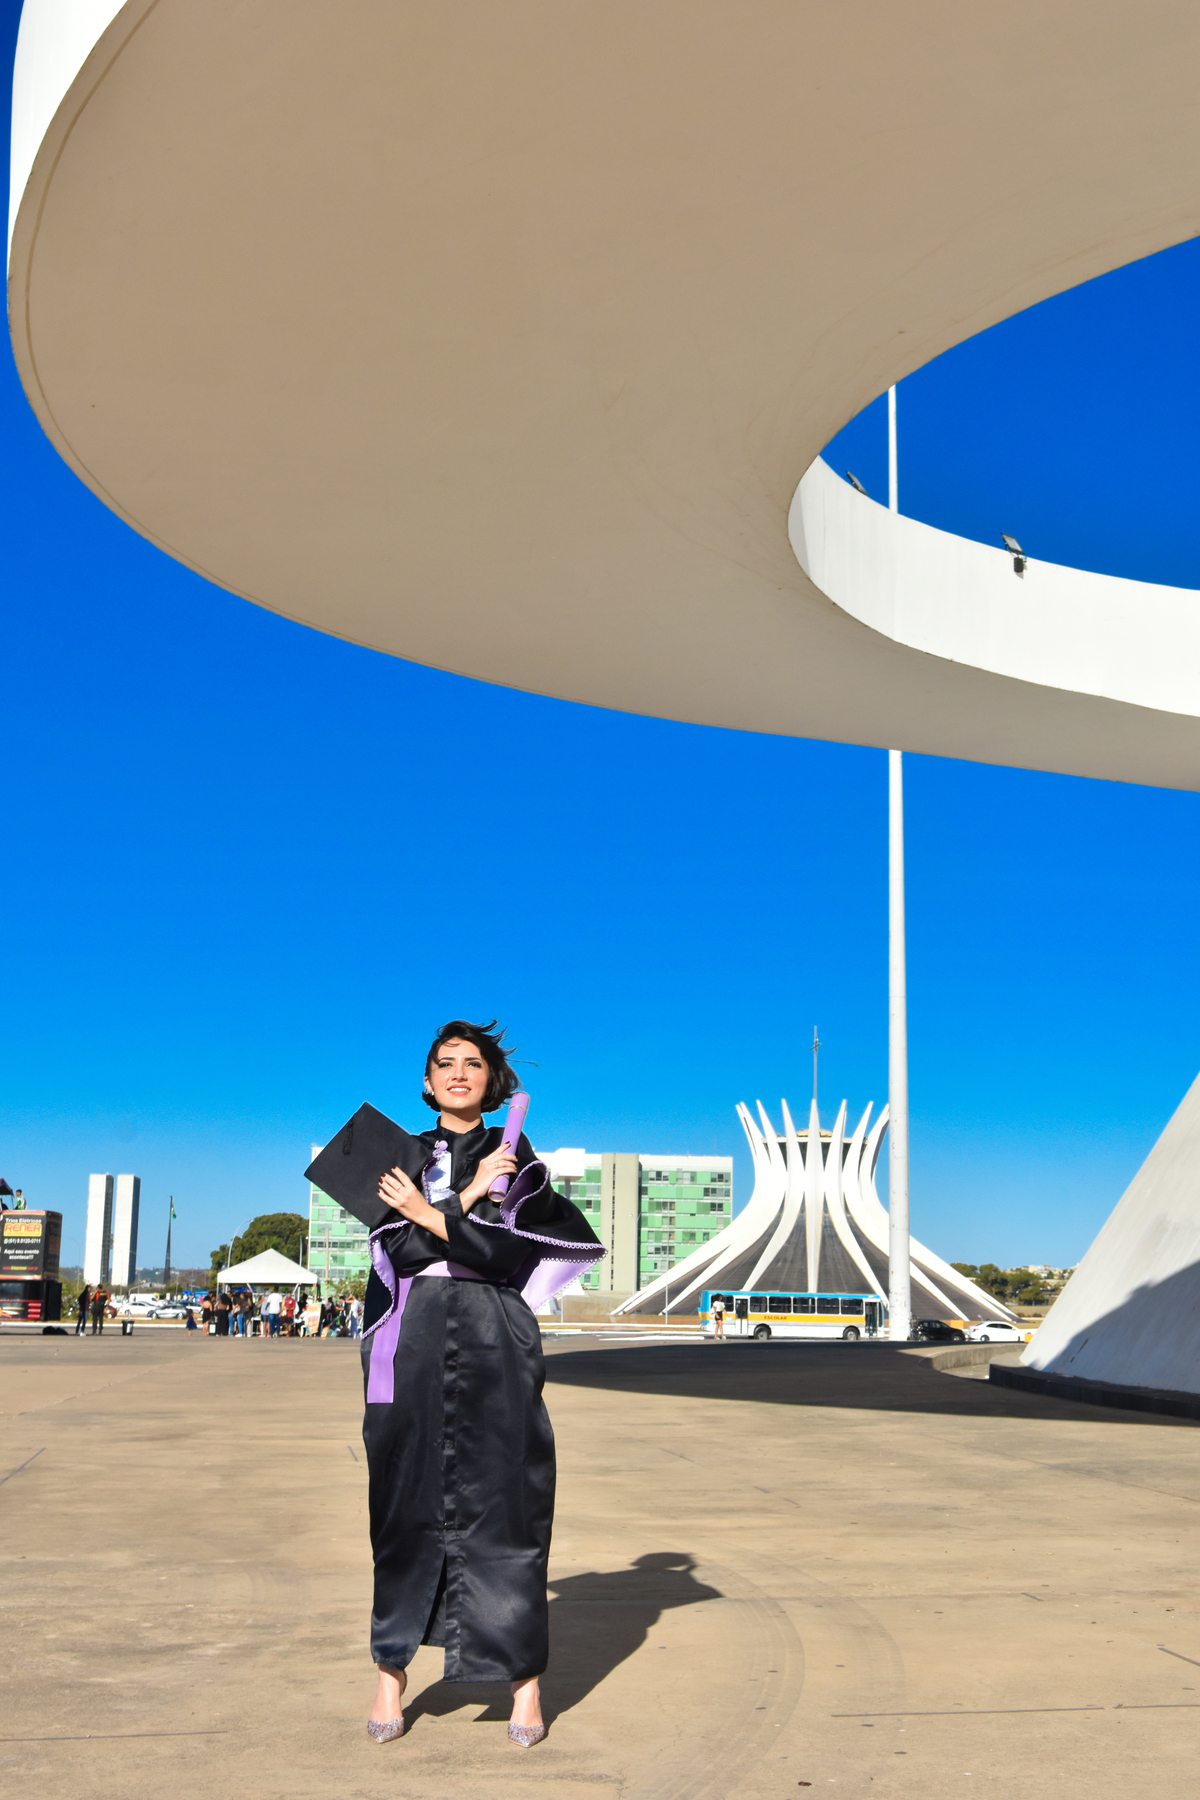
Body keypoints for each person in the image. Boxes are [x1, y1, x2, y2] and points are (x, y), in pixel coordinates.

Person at [362, 1019, 604, 1748]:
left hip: (495, 1329)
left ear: (493, 1082)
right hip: (412, 1334)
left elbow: (508, 1257)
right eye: (446, 1064)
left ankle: (524, 1684)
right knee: (401, 1503)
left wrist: (433, 1212)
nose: (460, 1073)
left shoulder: (515, 1155)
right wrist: (461, 1197)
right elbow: (398, 1251)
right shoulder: (397, 1154)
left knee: (511, 1500)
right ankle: (390, 1670)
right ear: (429, 1081)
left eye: (474, 1064)